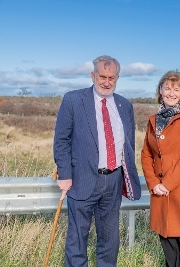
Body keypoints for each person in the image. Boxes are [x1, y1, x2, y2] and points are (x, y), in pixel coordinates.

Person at [53, 55, 142, 267]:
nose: (106, 82)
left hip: (112, 182)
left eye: (112, 77)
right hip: (82, 179)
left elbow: (128, 144)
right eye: (102, 76)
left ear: (117, 78)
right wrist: (64, 175)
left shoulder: (124, 105)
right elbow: (61, 140)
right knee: (77, 241)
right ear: (93, 75)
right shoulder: (73, 100)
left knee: (110, 242)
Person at [141, 71, 180, 267]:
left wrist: (167, 184)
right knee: (167, 244)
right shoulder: (153, 120)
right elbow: (146, 154)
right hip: (160, 192)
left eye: (176, 89)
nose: (171, 93)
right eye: (167, 88)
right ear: (160, 91)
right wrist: (154, 184)